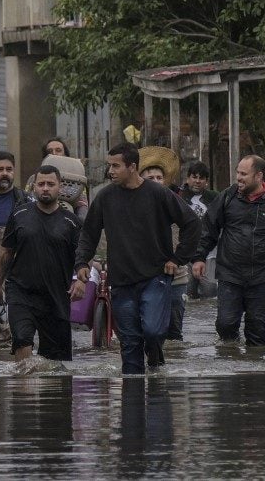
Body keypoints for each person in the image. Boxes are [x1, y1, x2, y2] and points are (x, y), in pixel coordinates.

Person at [71, 143, 201, 374]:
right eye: (109, 165)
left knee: (152, 331)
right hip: (121, 281)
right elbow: (88, 233)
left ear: (132, 167)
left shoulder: (159, 194)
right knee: (129, 343)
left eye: (115, 166)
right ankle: (132, 396)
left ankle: (156, 367)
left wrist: (178, 258)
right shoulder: (105, 197)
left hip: (155, 278)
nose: (110, 171)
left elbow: (192, 224)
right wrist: (82, 262)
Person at [192, 155, 265, 347]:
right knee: (226, 325)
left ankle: (255, 372)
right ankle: (231, 359)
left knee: (257, 332)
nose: (239, 178)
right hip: (229, 274)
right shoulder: (227, 197)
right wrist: (199, 257)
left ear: (259, 176)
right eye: (238, 172)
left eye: (244, 174)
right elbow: (209, 228)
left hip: (261, 276)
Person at [0, 165, 81, 362]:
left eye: (50, 184)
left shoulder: (71, 222)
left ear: (60, 188)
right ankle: (25, 390)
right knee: (22, 339)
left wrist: (80, 280)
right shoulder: (19, 214)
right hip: (21, 292)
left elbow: (82, 256)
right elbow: (6, 252)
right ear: (34, 187)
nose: (45, 188)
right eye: (41, 184)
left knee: (56, 362)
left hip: (56, 296)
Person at [138, 145, 189, 341]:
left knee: (173, 333)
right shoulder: (130, 204)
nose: (156, 182)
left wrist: (178, 258)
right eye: (151, 178)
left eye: (159, 178)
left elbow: (191, 229)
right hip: (142, 276)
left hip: (175, 274)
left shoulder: (176, 204)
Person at [178, 161, 219, 299]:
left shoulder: (215, 198)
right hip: (185, 252)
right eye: (194, 177)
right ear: (188, 178)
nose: (197, 181)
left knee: (210, 290)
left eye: (201, 178)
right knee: (187, 292)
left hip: (209, 252)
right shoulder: (178, 198)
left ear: (206, 181)